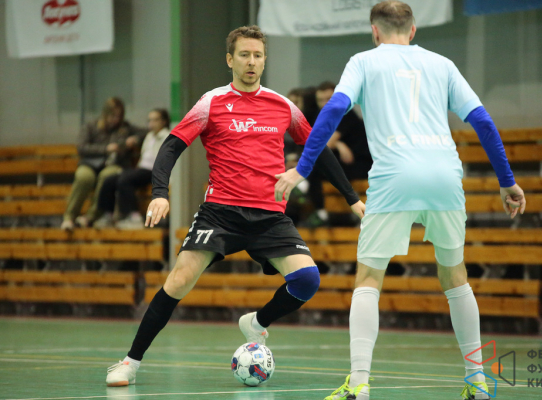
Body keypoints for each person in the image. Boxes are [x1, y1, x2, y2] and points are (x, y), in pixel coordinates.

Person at [274, 2, 526, 399]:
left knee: (369, 278)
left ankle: (359, 384)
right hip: (445, 176)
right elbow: (482, 121)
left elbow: (334, 109)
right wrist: (507, 181)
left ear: (374, 32)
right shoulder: (442, 64)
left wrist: (302, 168)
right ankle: (477, 380)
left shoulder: (363, 61)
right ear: (413, 30)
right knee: (455, 277)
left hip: (394, 178)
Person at [105, 25, 365, 387]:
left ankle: (257, 323)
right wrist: (159, 192)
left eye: (257, 55)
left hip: (270, 215)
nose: (251, 62)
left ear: (264, 60)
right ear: (230, 59)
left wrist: (352, 199)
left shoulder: (283, 106)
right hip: (221, 213)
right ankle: (130, 362)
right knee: (179, 280)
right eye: (244, 55)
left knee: (307, 279)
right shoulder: (211, 102)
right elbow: (172, 145)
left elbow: (317, 149)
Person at [61, 97, 143, 230]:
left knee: (108, 177)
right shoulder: (91, 126)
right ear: (105, 114)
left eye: (119, 116)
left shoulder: (125, 127)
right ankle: (69, 217)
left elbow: (145, 131)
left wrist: (135, 139)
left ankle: (90, 217)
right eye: (113, 116)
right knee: (83, 177)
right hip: (90, 163)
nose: (116, 119)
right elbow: (82, 147)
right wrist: (106, 149)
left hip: (113, 164)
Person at [305, 81, 372, 227]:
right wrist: (339, 144)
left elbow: (323, 145)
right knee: (319, 165)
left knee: (317, 165)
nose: (324, 104)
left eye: (328, 99)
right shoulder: (320, 115)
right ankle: (319, 210)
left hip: (359, 164)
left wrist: (335, 143)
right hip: (342, 162)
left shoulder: (346, 114)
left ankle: (311, 197)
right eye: (320, 100)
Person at [94, 109, 170, 229]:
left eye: (155, 120)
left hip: (154, 171)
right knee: (109, 180)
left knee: (125, 179)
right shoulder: (149, 136)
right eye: (150, 120)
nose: (151, 123)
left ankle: (134, 216)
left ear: (164, 121)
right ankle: (108, 214)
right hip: (142, 168)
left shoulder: (168, 136)